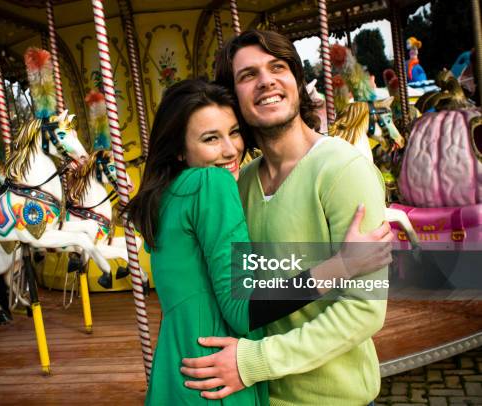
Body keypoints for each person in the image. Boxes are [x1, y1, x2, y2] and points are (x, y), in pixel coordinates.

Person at [126, 78, 393, 405]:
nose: (230, 149)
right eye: (211, 138)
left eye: (234, 132)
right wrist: (341, 266)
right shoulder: (212, 183)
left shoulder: (164, 198)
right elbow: (241, 309)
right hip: (216, 375)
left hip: (176, 370)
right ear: (180, 149)